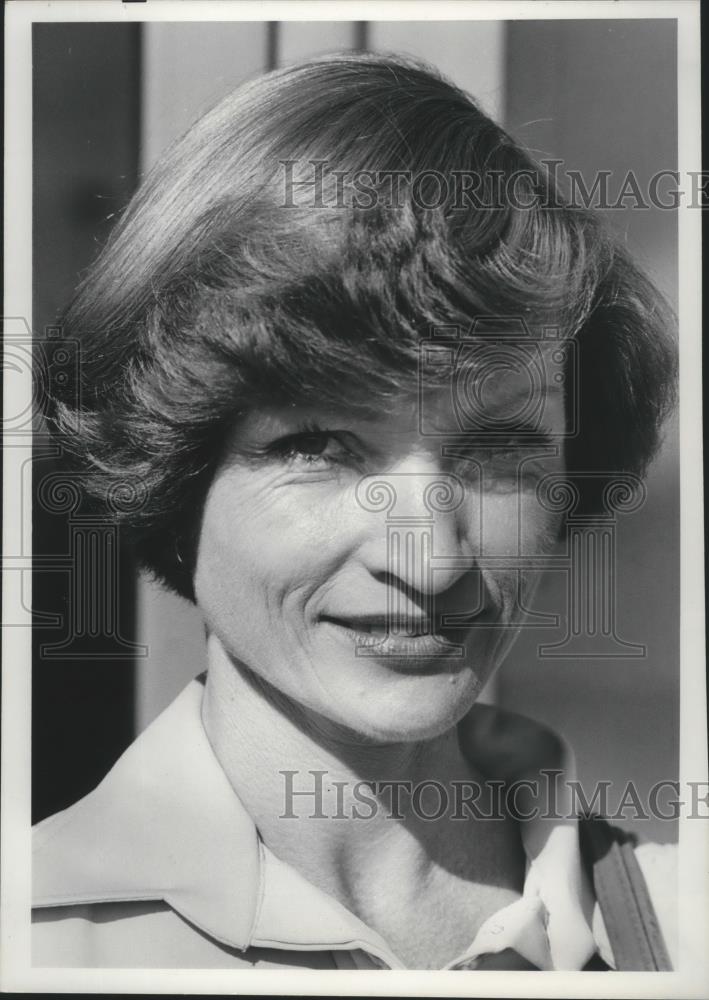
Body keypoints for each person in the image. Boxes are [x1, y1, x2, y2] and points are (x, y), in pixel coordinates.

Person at [32, 52, 678, 971]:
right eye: (316, 447)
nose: (431, 564)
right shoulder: (39, 944)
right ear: (174, 479)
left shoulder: (678, 920)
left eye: (497, 448)